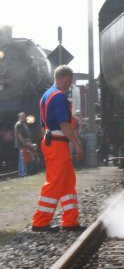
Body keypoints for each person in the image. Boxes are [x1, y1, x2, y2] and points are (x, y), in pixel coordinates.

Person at [31, 65, 85, 232]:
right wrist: (77, 143)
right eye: (69, 81)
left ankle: (70, 221)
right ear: (62, 78)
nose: (70, 85)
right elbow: (63, 124)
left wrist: (46, 142)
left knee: (67, 182)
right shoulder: (59, 96)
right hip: (57, 144)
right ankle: (40, 222)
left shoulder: (46, 96)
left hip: (51, 142)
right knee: (55, 183)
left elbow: (43, 125)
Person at [14, 112, 32, 177]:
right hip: (21, 144)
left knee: (23, 158)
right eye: (23, 117)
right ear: (19, 117)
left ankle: (22, 173)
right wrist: (24, 143)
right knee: (23, 158)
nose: (24, 118)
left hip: (24, 144)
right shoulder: (19, 124)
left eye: (24, 116)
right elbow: (19, 135)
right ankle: (22, 173)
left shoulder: (23, 124)